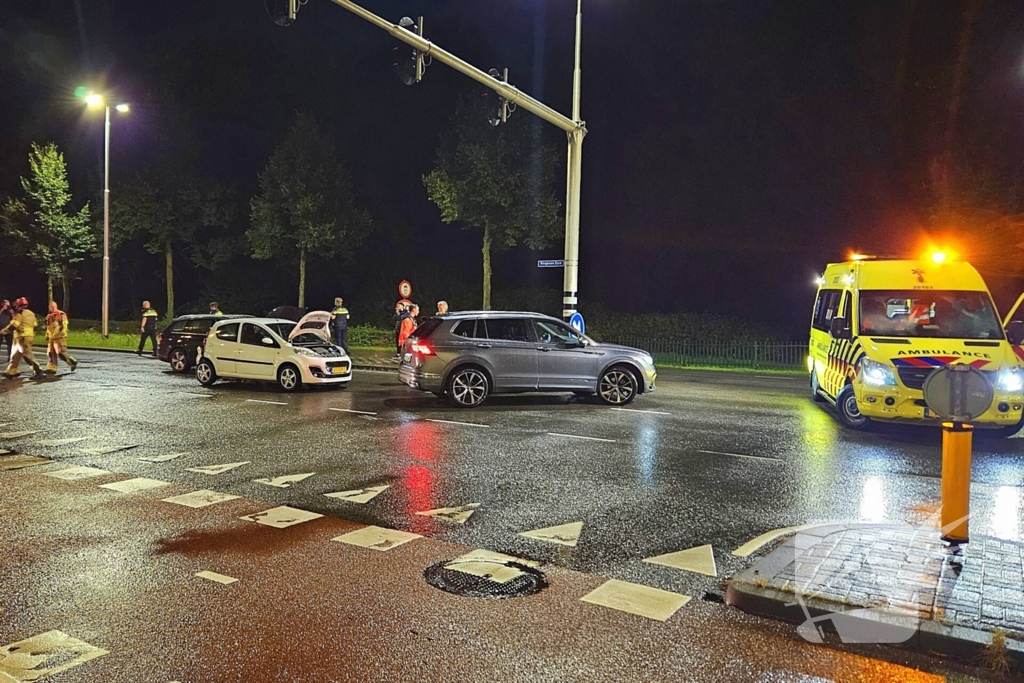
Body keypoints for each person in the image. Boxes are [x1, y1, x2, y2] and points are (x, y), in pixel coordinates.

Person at [1, 297, 44, 378]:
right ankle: (12, 370)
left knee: (27, 355)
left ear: (18, 305)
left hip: (22, 337)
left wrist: (3, 331)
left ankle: (38, 370)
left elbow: (14, 325)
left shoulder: (19, 313)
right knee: (15, 355)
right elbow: (35, 325)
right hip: (24, 336)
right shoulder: (31, 313)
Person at [44, 301, 77, 373]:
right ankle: (52, 368)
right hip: (51, 337)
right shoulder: (49, 316)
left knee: (60, 352)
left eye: (53, 307)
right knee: (50, 353)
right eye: (51, 307)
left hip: (59, 337)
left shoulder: (61, 314)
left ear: (56, 306)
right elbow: (48, 326)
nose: (52, 308)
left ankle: (71, 362)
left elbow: (64, 324)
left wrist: (62, 333)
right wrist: (47, 334)